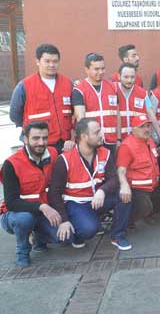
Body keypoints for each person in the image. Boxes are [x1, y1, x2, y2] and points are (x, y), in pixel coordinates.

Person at [48, 118, 132, 251]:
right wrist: (64, 220)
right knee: (89, 229)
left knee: (124, 195)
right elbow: (54, 193)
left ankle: (117, 235)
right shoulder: (64, 159)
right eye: (96, 132)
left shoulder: (105, 153)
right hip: (77, 203)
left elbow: (113, 179)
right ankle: (78, 232)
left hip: (98, 199)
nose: (101, 135)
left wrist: (102, 190)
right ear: (83, 136)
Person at [0, 122, 64, 267]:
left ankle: (38, 238)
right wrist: (42, 207)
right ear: (25, 139)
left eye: (45, 138)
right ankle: (22, 251)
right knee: (24, 219)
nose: (41, 142)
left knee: (64, 238)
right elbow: (12, 202)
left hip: (43, 213)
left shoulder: (54, 153)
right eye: (36, 138)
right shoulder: (11, 164)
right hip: (15, 214)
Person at [10, 43, 74, 153]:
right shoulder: (24, 86)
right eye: (47, 61)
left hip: (64, 144)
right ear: (38, 61)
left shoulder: (68, 84)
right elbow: (15, 115)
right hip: (38, 146)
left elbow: (75, 113)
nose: (51, 65)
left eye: (55, 61)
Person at [116, 115, 160, 225]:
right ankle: (130, 221)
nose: (146, 129)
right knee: (145, 206)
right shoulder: (127, 146)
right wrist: (124, 185)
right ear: (133, 129)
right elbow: (121, 170)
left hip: (153, 186)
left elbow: (150, 156)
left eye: (148, 126)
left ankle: (147, 213)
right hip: (137, 190)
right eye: (142, 127)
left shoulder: (149, 141)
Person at [73, 53, 120, 151]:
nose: (101, 72)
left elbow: (117, 114)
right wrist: (85, 142)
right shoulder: (79, 90)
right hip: (92, 143)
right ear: (87, 69)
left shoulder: (113, 87)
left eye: (103, 68)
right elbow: (80, 118)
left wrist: (119, 139)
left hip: (111, 141)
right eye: (96, 69)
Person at [116, 63, 159, 140]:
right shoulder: (112, 90)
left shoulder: (143, 93)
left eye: (132, 77)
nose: (129, 80)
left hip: (137, 139)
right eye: (126, 77)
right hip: (118, 139)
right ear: (119, 76)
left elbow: (151, 114)